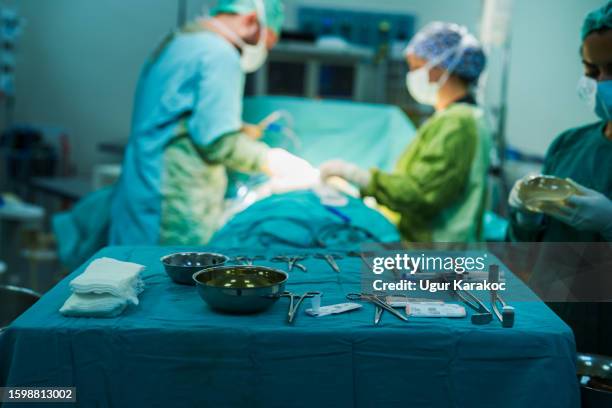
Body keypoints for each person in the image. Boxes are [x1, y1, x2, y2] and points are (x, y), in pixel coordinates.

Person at [110, 0, 313, 245]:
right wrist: (271, 160)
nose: (260, 53)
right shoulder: (220, 54)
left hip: (141, 185)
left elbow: (174, 114)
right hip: (173, 198)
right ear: (250, 21)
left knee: (132, 273)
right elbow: (217, 141)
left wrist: (234, 127)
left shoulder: (180, 41)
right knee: (168, 277)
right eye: (263, 44)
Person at [320, 22, 490, 243]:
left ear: (439, 67)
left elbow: (419, 194)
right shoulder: (459, 118)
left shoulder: (458, 122)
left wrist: (362, 178)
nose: (412, 75)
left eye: (415, 66)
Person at [507, 1, 612, 354]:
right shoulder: (569, 144)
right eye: (590, 69)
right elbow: (524, 257)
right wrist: (524, 219)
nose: (600, 82)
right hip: (548, 329)